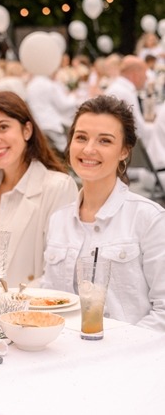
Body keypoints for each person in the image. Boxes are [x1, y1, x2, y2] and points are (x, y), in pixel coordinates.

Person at [42, 96, 165, 330]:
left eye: (105, 141)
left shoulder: (149, 219)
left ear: (124, 152)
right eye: (81, 138)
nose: (89, 149)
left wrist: (116, 354)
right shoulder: (58, 220)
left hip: (130, 360)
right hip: (62, 357)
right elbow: (49, 300)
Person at [0, 91, 78, 286]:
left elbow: (60, 275)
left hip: (28, 312)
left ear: (27, 130)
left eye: (3, 127)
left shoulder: (57, 188)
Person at [105, 55, 154, 148]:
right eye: (145, 74)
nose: (146, 79)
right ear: (135, 75)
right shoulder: (124, 92)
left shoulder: (119, 88)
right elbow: (138, 130)